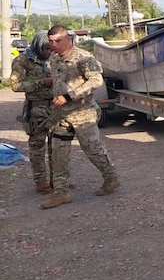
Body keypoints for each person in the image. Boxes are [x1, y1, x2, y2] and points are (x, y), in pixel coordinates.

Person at [40, 25, 120, 209]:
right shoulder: (54, 58)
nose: (54, 45)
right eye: (51, 41)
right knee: (58, 149)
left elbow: (96, 80)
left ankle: (111, 178)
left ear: (69, 39)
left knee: (93, 149)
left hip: (83, 113)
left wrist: (69, 96)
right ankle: (61, 192)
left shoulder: (83, 57)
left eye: (58, 41)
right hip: (62, 114)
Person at [10, 33, 54, 193]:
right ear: (38, 46)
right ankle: (40, 181)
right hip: (36, 109)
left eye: (51, 48)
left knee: (56, 146)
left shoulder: (53, 58)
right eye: (46, 49)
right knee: (37, 147)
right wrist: (41, 83)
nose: (49, 51)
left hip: (55, 107)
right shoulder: (23, 60)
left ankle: (57, 180)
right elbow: (16, 85)